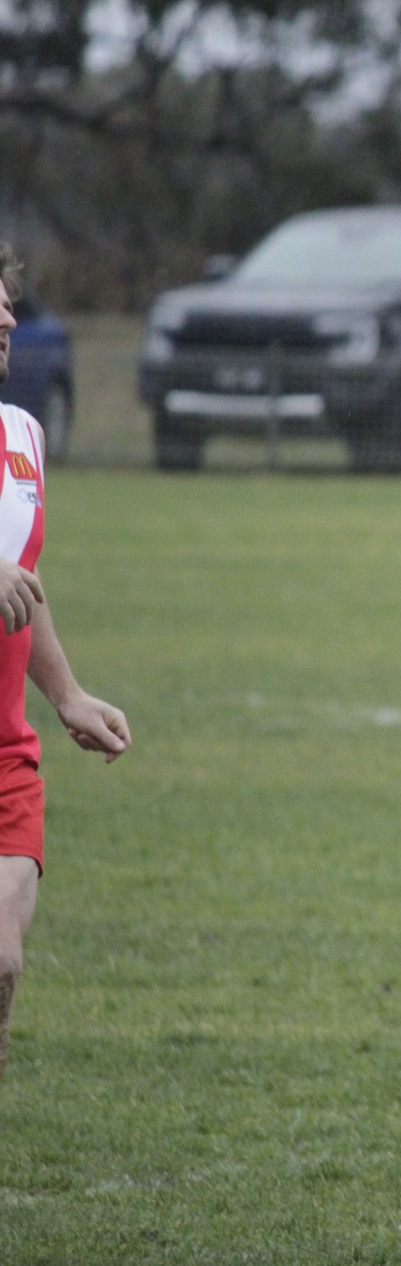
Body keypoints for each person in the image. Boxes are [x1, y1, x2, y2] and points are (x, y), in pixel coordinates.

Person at [0, 243, 132, 1080]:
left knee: (4, 965)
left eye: (6, 301)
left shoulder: (22, 435)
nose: (8, 317)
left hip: (6, 755)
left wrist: (68, 693)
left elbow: (24, 578)